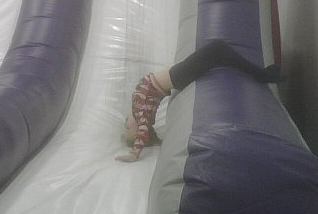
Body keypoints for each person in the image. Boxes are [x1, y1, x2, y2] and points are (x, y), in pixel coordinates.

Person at [116, 39, 281, 162]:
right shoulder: (141, 114)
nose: (125, 122)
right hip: (177, 76)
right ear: (137, 131)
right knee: (217, 48)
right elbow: (143, 131)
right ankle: (261, 75)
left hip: (177, 75)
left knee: (217, 51)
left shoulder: (138, 109)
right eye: (127, 128)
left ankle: (261, 73)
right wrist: (134, 153)